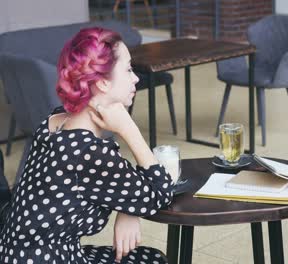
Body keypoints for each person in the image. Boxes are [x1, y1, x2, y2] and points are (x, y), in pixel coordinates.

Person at [0, 27, 176, 263]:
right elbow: (160, 192)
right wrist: (129, 129)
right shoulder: (87, 151)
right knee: (151, 260)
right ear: (103, 83)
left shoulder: (56, 121)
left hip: (17, 253)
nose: (135, 78)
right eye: (128, 69)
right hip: (47, 258)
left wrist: (129, 209)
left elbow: (124, 185)